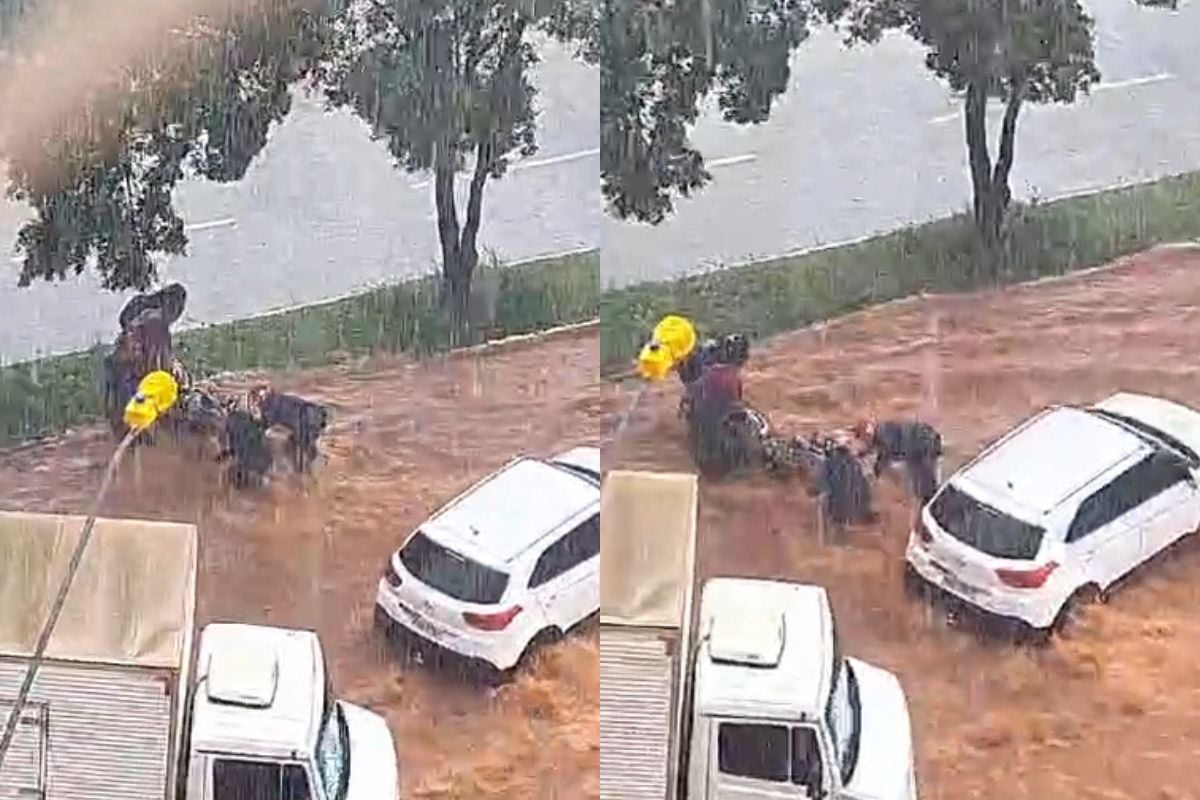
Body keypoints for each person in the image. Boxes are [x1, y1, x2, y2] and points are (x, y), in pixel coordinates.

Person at [854, 417, 944, 504]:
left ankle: (935, 502)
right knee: (918, 484)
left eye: (864, 439)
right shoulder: (882, 432)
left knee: (926, 485)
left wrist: (877, 469)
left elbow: (886, 455)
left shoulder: (884, 434)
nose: (865, 443)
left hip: (925, 447)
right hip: (917, 450)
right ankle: (929, 499)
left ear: (869, 434)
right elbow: (882, 452)